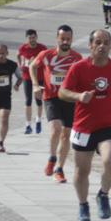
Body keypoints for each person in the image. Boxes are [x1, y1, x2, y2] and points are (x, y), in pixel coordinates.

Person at [59, 30, 111, 221]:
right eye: (98, 42)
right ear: (90, 45)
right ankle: (83, 206)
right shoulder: (78, 68)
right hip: (83, 127)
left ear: (110, 46)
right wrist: (78, 96)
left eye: (106, 42)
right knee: (81, 171)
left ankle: (103, 194)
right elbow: (62, 92)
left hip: (108, 126)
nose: (102, 46)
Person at [31, 25, 81, 183]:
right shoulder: (46, 55)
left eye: (68, 39)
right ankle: (52, 158)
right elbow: (33, 66)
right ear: (57, 39)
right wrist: (35, 84)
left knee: (66, 137)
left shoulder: (77, 58)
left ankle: (59, 169)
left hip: (69, 98)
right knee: (56, 129)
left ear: (72, 39)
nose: (65, 41)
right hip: (51, 97)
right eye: (62, 38)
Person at [17, 29, 47, 135]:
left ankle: (38, 121)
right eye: (29, 38)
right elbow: (18, 55)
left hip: (39, 77)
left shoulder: (42, 48)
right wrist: (20, 64)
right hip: (27, 76)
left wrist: (37, 61)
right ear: (26, 38)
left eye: (33, 38)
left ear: (36, 37)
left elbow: (46, 60)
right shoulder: (23, 48)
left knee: (38, 100)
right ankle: (28, 125)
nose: (31, 40)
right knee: (28, 100)